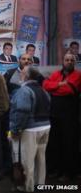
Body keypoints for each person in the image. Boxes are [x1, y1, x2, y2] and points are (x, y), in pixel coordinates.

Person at [10, 67, 51, 192]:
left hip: (30, 129)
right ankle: (40, 186)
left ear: (26, 76)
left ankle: (28, 188)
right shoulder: (44, 90)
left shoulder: (24, 90)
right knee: (40, 160)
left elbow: (22, 111)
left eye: (22, 73)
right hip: (45, 127)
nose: (20, 74)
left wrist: (15, 129)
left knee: (28, 163)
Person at [43, 53, 81, 181]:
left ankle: (69, 172)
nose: (69, 62)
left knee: (69, 144)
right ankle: (55, 170)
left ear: (74, 62)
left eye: (71, 60)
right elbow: (45, 85)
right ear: (63, 61)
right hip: (54, 115)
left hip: (70, 117)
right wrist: (59, 84)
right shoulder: (56, 74)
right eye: (66, 60)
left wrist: (55, 86)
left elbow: (69, 90)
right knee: (54, 144)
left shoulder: (78, 75)